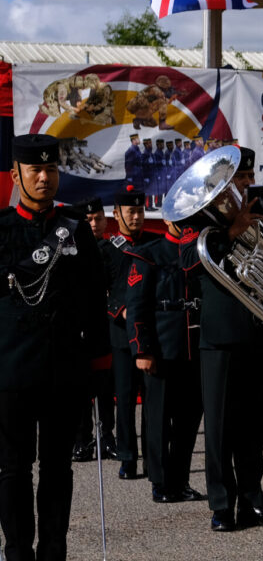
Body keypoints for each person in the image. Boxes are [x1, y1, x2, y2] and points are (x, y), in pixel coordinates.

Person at [0, 134, 108, 561]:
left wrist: (102, 363)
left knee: (58, 468)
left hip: (64, 368)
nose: (44, 178)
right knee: (12, 469)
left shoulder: (75, 229)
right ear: (17, 175)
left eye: (51, 170)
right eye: (34, 171)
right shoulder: (2, 229)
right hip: (11, 368)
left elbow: (92, 300)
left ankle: (54, 559)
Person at [197, 149, 263, 532]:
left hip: (261, 330)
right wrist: (229, 233)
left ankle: (253, 501)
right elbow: (188, 262)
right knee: (219, 426)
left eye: (249, 177)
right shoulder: (200, 218)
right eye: (238, 178)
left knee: (254, 425)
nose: (245, 184)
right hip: (221, 335)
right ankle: (221, 505)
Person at [127, 216, 205, 506]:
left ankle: (180, 480)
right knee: (159, 419)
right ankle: (159, 482)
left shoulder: (201, 251)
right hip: (162, 348)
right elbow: (136, 305)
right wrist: (142, 349)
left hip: (195, 348)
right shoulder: (149, 254)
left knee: (188, 420)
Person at [103, 187, 150, 479]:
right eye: (130, 211)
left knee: (152, 401)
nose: (136, 216)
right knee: (125, 397)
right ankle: (127, 458)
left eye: (140, 211)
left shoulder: (152, 245)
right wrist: (118, 308)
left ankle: (153, 459)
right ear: (117, 214)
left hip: (148, 335)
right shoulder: (107, 250)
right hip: (121, 336)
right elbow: (100, 289)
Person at [69, 196, 117, 466]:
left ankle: (107, 436)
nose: (94, 223)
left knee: (105, 384)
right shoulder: (71, 251)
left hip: (104, 323)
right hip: (78, 326)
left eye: (98, 218)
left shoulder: (111, 249)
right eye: (88, 220)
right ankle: (81, 438)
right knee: (79, 386)